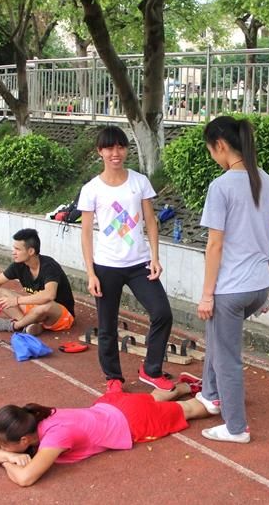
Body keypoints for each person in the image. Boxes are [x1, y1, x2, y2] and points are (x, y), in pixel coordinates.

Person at [196, 116, 269, 444]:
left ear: (220, 146)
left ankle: (236, 427)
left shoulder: (221, 186)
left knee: (227, 356)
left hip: (232, 290)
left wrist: (206, 295)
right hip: (257, 287)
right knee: (217, 338)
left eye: (211, 151)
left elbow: (214, 245)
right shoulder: (267, 182)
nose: (212, 157)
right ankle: (211, 393)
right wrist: (267, 289)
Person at [0, 375, 210, 487]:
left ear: (25, 440)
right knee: (152, 398)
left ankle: (219, 397)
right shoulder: (32, 418)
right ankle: (185, 385)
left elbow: (25, 478)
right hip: (110, 404)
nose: (0, 446)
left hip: (132, 421)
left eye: (5, 444)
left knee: (190, 409)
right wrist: (10, 455)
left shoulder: (55, 436)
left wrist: (6, 461)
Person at [78, 126, 174, 392]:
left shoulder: (139, 181)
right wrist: (90, 273)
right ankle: (113, 378)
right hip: (106, 266)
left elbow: (151, 222)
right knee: (107, 325)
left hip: (139, 264)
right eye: (109, 148)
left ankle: (151, 368)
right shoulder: (91, 189)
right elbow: (86, 234)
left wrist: (155, 257)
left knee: (162, 313)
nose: (115, 153)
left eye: (120, 147)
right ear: (100, 152)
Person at [0, 228, 75, 335]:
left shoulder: (49, 266)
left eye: (18, 249)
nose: (13, 253)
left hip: (59, 313)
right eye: (14, 248)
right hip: (35, 308)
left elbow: (49, 295)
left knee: (47, 305)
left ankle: (16, 325)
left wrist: (17, 301)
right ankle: (28, 324)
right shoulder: (18, 265)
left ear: (31, 251)